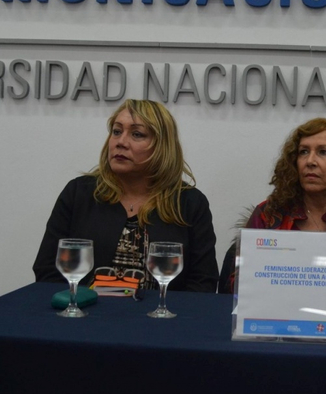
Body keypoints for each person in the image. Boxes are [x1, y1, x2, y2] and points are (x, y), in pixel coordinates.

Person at [33, 99, 218, 293]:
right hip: (86, 316)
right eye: (117, 131)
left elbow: (203, 283)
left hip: (161, 319)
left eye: (137, 134)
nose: (121, 142)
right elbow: (47, 271)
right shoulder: (79, 193)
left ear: (162, 146)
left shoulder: (189, 203)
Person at [219, 118, 326, 293]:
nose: (310, 161)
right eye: (303, 152)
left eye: (323, 152)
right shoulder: (267, 216)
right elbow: (238, 287)